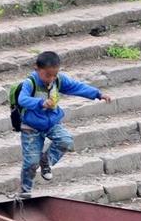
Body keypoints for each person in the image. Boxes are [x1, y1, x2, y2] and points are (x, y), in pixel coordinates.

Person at [17, 51, 112, 196]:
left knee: (65, 140)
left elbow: (76, 87)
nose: (51, 78)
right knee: (30, 162)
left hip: (51, 122)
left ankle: (46, 161)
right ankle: (25, 191)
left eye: (54, 74)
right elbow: (22, 100)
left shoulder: (57, 80)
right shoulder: (30, 83)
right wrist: (40, 102)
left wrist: (98, 94)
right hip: (31, 126)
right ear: (37, 68)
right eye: (47, 75)